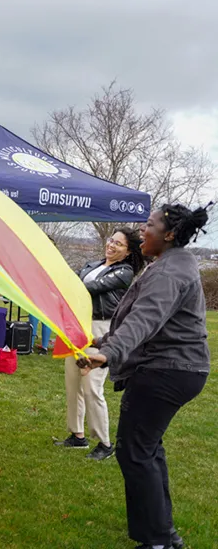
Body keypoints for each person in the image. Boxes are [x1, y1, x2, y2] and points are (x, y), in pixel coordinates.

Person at [79, 204, 210, 549]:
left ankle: (156, 541)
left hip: (167, 371)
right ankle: (163, 536)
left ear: (168, 234)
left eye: (149, 225)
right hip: (176, 370)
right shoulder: (170, 264)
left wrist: (108, 353)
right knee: (147, 449)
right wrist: (100, 342)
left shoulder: (168, 272)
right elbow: (137, 319)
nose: (141, 229)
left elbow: (145, 320)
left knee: (135, 451)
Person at [55, 228, 145, 462]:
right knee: (73, 381)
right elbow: (70, 281)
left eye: (118, 244)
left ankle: (105, 443)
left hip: (100, 330)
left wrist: (69, 284)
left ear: (127, 252)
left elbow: (86, 288)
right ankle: (77, 435)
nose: (111, 246)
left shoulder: (125, 272)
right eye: (111, 240)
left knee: (92, 386)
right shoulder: (92, 265)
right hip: (78, 328)